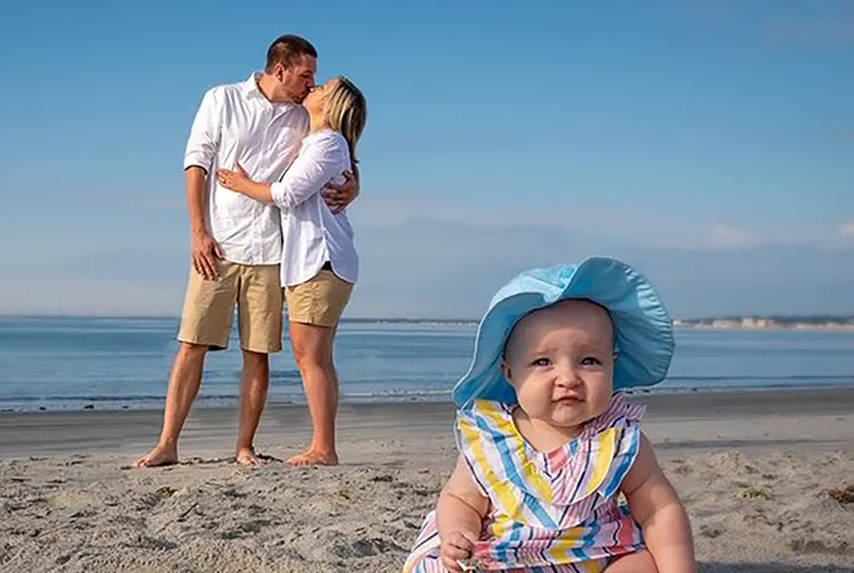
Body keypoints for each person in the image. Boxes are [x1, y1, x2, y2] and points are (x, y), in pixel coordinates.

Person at [133, 35, 359, 469]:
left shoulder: (303, 114)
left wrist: (356, 182)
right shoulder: (222, 99)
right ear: (280, 70)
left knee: (257, 353)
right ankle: (167, 443)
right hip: (218, 246)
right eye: (305, 75)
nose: (311, 85)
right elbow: (195, 164)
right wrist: (198, 232)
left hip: (274, 251)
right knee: (192, 343)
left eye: (314, 78)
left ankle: (244, 448)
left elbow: (336, 146)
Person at [402, 257, 697, 572]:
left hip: (595, 556)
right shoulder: (492, 439)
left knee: (641, 564)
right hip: (508, 558)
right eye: (543, 362)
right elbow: (460, 499)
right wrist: (458, 532)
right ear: (509, 373)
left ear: (613, 365)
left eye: (589, 361)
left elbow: (658, 510)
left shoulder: (618, 439)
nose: (568, 377)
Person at [217, 75, 368, 465]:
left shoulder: (327, 143)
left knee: (309, 358)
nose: (314, 88)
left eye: (323, 88)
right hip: (318, 262)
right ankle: (324, 444)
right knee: (317, 357)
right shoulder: (321, 143)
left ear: (332, 105)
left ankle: (323, 448)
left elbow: (287, 194)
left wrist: (241, 184)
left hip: (320, 261)